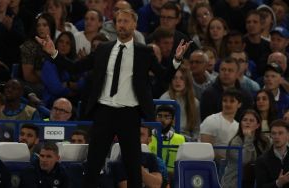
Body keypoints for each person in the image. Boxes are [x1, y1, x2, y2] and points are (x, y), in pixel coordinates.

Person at [36, 8, 191, 187]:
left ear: (134, 24)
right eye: (119, 21)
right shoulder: (103, 49)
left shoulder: (144, 52)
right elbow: (75, 68)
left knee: (133, 167)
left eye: (126, 21)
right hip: (104, 112)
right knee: (93, 164)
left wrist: (176, 60)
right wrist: (53, 53)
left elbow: (163, 78)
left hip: (130, 114)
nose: (122, 25)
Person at [221, 109, 271, 188]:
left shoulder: (264, 142)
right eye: (244, 120)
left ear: (258, 125)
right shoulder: (235, 142)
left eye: (251, 120)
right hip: (235, 183)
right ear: (240, 124)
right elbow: (244, 160)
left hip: (258, 182)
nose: (248, 122)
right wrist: (248, 138)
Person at [159, 66, 200, 140]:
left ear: (187, 81)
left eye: (182, 78)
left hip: (189, 141)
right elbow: (163, 126)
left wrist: (194, 141)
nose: (177, 81)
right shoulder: (164, 99)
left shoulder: (195, 102)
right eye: (174, 78)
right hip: (169, 138)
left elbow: (197, 129)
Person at [200, 88, 241, 159]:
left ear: (239, 104)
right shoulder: (211, 120)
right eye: (225, 101)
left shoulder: (238, 126)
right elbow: (205, 149)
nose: (228, 104)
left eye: (232, 101)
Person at [149, 105, 185, 176]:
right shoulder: (147, 136)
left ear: (173, 120)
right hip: (152, 176)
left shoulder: (181, 139)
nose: (162, 120)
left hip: (174, 177)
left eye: (167, 116)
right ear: (155, 118)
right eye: (159, 116)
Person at [255, 119, 289, 188]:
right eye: (274, 133)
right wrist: (278, 183)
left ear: (288, 135)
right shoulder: (261, 161)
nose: (276, 136)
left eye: (280, 133)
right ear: (270, 136)